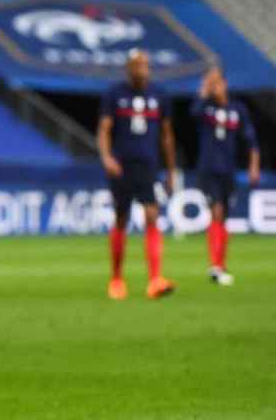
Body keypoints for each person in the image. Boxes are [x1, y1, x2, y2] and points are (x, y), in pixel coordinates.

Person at [98, 50, 177, 301]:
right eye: (138, 65)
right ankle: (117, 279)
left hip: (148, 166)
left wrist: (171, 170)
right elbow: (104, 129)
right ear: (128, 68)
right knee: (121, 218)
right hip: (121, 166)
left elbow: (166, 136)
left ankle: (155, 280)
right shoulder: (115, 94)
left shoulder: (159, 96)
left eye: (145, 64)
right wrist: (106, 157)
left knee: (152, 215)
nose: (143, 69)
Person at [191, 67, 260, 286]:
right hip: (208, 169)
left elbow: (251, 142)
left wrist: (253, 166)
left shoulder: (238, 109)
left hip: (228, 170)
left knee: (224, 217)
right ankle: (216, 266)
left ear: (226, 84)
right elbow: (193, 113)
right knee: (216, 212)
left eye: (217, 82)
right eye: (212, 84)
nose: (215, 87)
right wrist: (204, 90)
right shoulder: (206, 109)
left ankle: (220, 263)